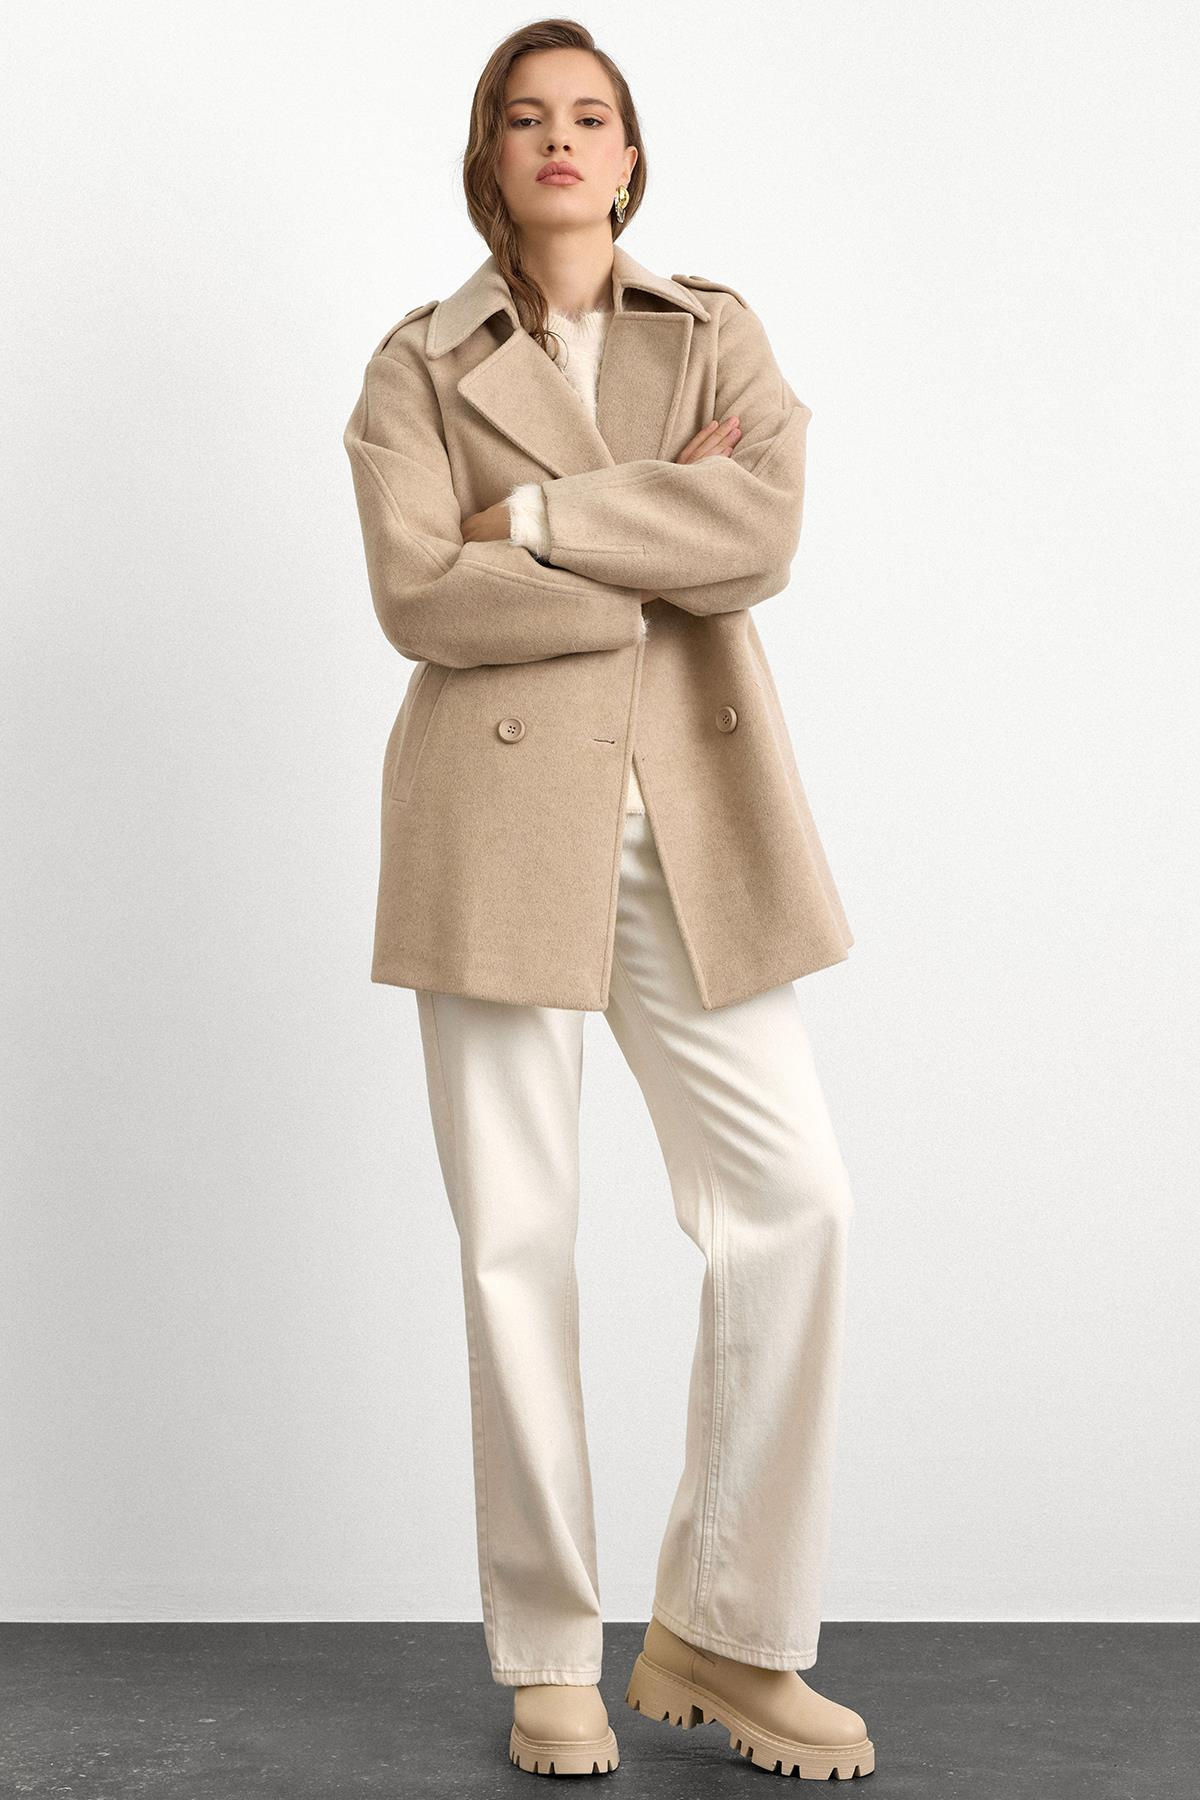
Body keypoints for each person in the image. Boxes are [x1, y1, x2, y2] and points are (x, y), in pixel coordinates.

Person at [343, 18, 875, 1783]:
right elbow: (419, 596)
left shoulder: (713, 331)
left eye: (591, 116)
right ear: (488, 157)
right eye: (526, 118)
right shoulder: (417, 362)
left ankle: (724, 1629)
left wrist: (535, 519)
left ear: (632, 157)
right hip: (497, 821)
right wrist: (654, 535)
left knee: (795, 1201)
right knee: (517, 1239)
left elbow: (762, 536)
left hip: (693, 819)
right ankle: (549, 1651)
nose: (560, 140)